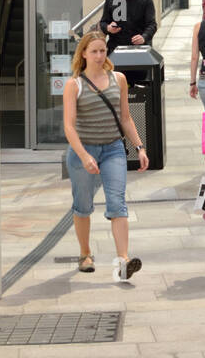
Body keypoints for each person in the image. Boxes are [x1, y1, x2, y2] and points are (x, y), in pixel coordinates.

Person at [63, 29, 148, 279]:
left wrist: (140, 147)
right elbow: (69, 126)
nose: (100, 56)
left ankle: (123, 259)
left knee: (117, 202)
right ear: (84, 54)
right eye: (94, 51)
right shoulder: (74, 84)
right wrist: (84, 155)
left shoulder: (118, 78)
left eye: (102, 50)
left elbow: (125, 117)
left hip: (113, 149)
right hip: (84, 150)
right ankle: (85, 253)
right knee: (83, 205)